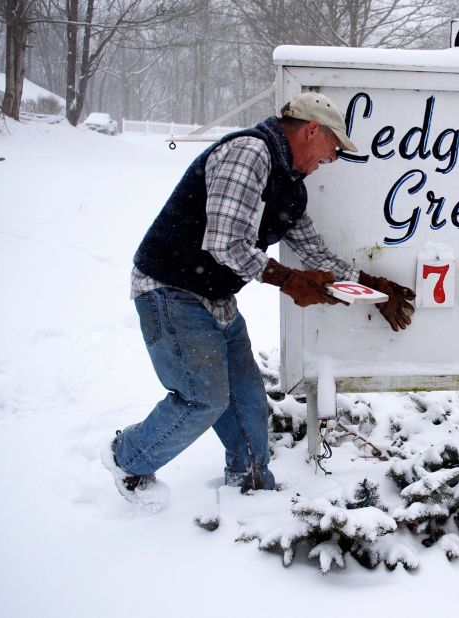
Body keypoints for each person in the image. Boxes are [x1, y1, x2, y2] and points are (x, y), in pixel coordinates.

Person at [101, 92, 415, 512]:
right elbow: (225, 243)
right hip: (170, 290)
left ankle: (249, 487)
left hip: (216, 298)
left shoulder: (290, 187)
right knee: (203, 398)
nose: (333, 158)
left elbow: (316, 254)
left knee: (246, 395)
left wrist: (370, 285)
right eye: (333, 146)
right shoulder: (249, 153)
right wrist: (287, 280)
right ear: (310, 129)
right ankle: (128, 458)